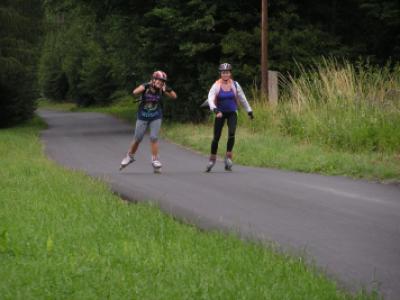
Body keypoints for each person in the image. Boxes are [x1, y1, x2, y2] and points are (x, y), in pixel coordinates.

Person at [120, 70, 177, 173]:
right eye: (159, 80)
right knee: (138, 138)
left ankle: (155, 160)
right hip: (142, 117)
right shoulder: (145, 87)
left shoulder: (162, 89)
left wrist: (168, 89)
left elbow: (174, 96)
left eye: (163, 81)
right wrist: (146, 85)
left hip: (156, 116)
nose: (161, 83)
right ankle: (130, 156)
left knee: (154, 137)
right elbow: (135, 92)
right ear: (154, 79)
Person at [206, 63, 254, 172]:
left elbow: (242, 98)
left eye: (227, 72)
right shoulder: (216, 85)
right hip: (220, 113)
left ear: (230, 73)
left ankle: (228, 157)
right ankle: (212, 158)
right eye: (223, 72)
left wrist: (249, 110)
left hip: (232, 112)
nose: (225, 74)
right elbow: (210, 98)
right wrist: (215, 109)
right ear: (220, 74)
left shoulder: (235, 85)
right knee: (216, 137)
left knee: (232, 133)